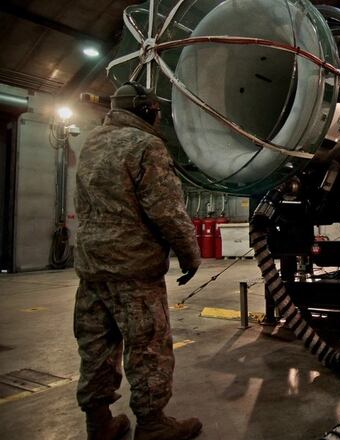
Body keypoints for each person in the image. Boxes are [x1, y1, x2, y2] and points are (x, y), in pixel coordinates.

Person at [73, 81, 202, 440]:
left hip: (92, 267)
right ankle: (152, 424)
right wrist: (190, 252)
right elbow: (167, 211)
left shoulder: (92, 142)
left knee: (96, 346)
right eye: (156, 110)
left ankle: (98, 423)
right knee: (147, 346)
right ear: (145, 110)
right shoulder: (146, 145)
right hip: (133, 269)